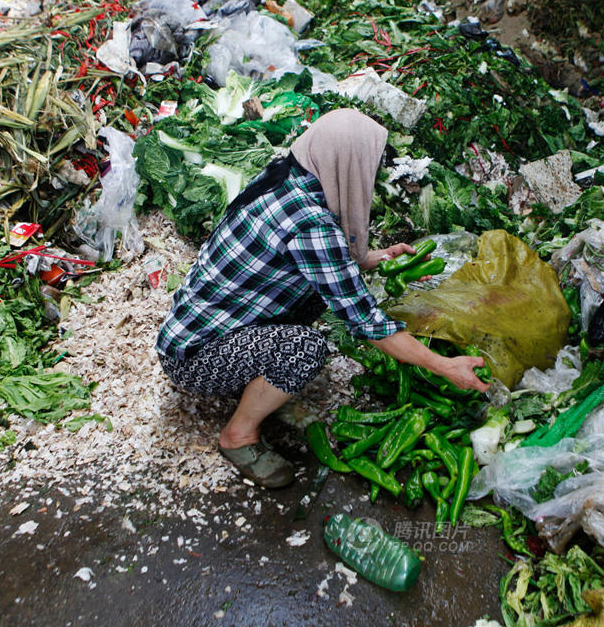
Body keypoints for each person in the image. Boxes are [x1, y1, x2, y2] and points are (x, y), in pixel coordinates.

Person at [156, 108, 488, 488]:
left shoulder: (286, 176)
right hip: (195, 358)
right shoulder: (309, 221)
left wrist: (370, 259)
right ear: (346, 164)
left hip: (195, 328)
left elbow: (315, 265)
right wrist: (443, 366)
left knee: (318, 300)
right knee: (305, 348)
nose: (371, 176)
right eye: (367, 166)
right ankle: (238, 435)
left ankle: (253, 381)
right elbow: (366, 321)